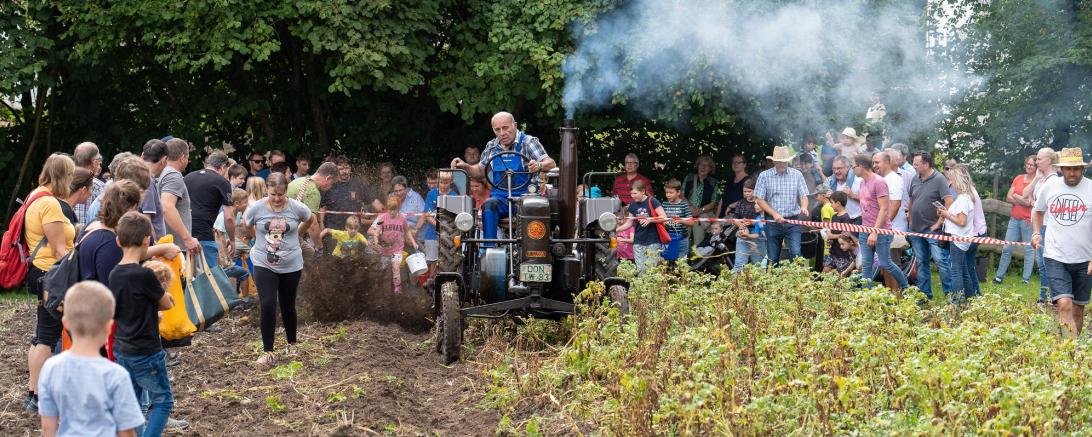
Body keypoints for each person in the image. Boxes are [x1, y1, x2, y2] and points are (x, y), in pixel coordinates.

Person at [37, 281, 145, 437]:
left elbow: (48, 428)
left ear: (65, 323)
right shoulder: (116, 375)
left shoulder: (50, 368)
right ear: (109, 327)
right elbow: (126, 431)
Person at [109, 211, 179, 436]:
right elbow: (165, 304)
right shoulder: (145, 275)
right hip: (147, 350)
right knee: (163, 402)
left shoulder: (114, 274)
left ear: (118, 240)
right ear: (147, 239)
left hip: (123, 348)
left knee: (134, 403)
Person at [450, 112, 557, 243]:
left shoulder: (528, 142)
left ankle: (534, 251)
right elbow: (479, 171)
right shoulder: (492, 146)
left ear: (515, 125)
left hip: (527, 198)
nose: (502, 133)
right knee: (488, 204)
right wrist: (464, 166)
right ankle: (489, 249)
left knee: (536, 207)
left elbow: (550, 163)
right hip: (501, 199)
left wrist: (539, 165)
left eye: (505, 128)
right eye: (497, 130)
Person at [23, 154, 76, 413]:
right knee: (46, 337)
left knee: (41, 336)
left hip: (40, 272)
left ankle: (34, 393)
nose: (71, 181)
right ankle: (40, 396)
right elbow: (59, 250)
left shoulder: (36, 195)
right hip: (51, 274)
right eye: (69, 175)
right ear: (62, 176)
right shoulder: (50, 204)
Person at [244, 173, 314, 367]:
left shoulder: (296, 208)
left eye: (280, 195)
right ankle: (268, 352)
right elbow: (247, 224)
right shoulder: (256, 208)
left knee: (288, 305)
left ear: (286, 192)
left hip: (291, 264)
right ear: (267, 190)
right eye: (273, 194)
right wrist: (258, 239)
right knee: (267, 304)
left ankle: (291, 343)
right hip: (263, 262)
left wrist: (298, 233)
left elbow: (309, 219)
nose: (276, 199)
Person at [1032, 148, 1092, 336]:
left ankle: (1072, 349)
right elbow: (1038, 211)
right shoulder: (1050, 187)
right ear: (1061, 169)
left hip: (1085, 259)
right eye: (1067, 169)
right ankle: (1070, 352)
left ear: (1083, 169)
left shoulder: (1090, 188)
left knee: (1078, 309)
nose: (1072, 173)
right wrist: (1036, 232)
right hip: (1055, 256)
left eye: (1076, 169)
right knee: (1064, 304)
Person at [855, 153, 909, 290]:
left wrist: (875, 232)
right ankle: (866, 296)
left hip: (881, 231)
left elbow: (884, 209)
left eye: (853, 167)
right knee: (866, 265)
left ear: (861, 166)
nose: (852, 170)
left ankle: (907, 287)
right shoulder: (862, 182)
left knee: (886, 263)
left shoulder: (879, 182)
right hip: (864, 229)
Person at [907, 151, 954, 300]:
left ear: (926, 164)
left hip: (933, 229)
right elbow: (912, 200)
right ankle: (925, 296)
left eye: (917, 164)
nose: (914, 166)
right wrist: (910, 220)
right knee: (921, 262)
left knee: (941, 261)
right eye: (913, 163)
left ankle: (951, 296)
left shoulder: (939, 179)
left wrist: (939, 223)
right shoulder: (915, 178)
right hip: (916, 229)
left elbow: (949, 203)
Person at [754, 146, 810, 266]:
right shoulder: (764, 176)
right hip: (772, 221)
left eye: (785, 161)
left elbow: (804, 195)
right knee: (772, 257)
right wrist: (775, 214)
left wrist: (804, 207)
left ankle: (798, 282)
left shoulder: (797, 174)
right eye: (779, 161)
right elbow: (759, 200)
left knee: (796, 253)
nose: (782, 163)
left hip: (792, 220)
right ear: (774, 161)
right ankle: (771, 282)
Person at [185, 150, 236, 269]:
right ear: (223, 167)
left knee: (188, 278)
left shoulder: (188, 177)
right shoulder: (222, 182)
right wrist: (232, 240)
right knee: (210, 278)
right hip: (204, 234)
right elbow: (228, 217)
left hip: (184, 232)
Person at [994, 155, 1038, 285]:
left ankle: (1026, 279)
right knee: (1007, 248)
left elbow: (1034, 202)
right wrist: (1021, 200)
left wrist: (1018, 198)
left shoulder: (1037, 182)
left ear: (1036, 167)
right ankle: (999, 277)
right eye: (1028, 164)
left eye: (1032, 165)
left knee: (1029, 250)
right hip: (1014, 219)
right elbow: (1008, 197)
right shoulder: (1018, 178)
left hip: (1028, 221)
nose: (1029, 166)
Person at [941, 166, 981, 302]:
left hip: (959, 238)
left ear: (957, 181)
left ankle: (957, 301)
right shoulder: (965, 197)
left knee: (956, 271)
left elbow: (962, 221)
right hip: (961, 238)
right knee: (963, 270)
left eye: (951, 180)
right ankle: (970, 298)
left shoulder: (964, 198)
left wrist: (947, 215)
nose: (950, 183)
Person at [1025, 147, 1060, 303]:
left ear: (1050, 161)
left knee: (1046, 264)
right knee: (1042, 264)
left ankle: (1047, 298)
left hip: (1046, 226)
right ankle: (1047, 297)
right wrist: (1037, 178)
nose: (1036, 161)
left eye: (1039, 159)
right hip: (1039, 227)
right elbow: (1026, 194)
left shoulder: (1053, 181)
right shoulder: (1042, 180)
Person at [370, 196, 419, 294]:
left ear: (399, 208)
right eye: (390, 210)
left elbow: (407, 231)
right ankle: (380, 290)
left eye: (394, 210)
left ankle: (398, 288)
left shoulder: (402, 218)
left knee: (396, 268)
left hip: (397, 249)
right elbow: (376, 229)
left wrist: (414, 242)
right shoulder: (382, 217)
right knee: (383, 271)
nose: (392, 212)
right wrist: (376, 239)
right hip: (384, 250)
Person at [615, 180, 667, 273]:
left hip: (653, 240)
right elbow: (629, 223)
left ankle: (651, 287)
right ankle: (641, 287)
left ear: (643, 191)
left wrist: (650, 219)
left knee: (651, 270)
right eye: (631, 194)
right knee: (640, 269)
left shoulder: (652, 201)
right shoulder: (633, 204)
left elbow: (664, 217)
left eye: (635, 193)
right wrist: (616, 230)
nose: (632, 196)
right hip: (638, 241)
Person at [287, 161, 337, 255]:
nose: (331, 187)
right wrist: (319, 246)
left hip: (278, 229)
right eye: (332, 183)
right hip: (286, 235)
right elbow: (312, 224)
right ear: (328, 178)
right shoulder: (313, 191)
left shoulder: (300, 180)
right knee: (311, 256)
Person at [321, 156, 380, 234]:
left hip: (354, 231)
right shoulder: (330, 184)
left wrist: (387, 213)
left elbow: (375, 203)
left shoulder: (359, 184)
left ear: (350, 169)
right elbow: (322, 207)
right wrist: (321, 224)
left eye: (347, 168)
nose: (344, 171)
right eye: (341, 169)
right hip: (334, 231)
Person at [159, 138, 196, 252]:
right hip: (176, 247)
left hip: (170, 245)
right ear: (182, 158)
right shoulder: (173, 175)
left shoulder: (162, 173)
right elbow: (167, 207)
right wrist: (187, 238)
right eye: (187, 158)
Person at [213, 189, 252, 296]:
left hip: (226, 254)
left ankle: (237, 299)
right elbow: (218, 236)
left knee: (238, 274)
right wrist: (225, 260)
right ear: (236, 204)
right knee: (243, 273)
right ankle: (243, 300)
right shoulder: (225, 216)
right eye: (245, 202)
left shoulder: (234, 214)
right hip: (222, 258)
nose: (247, 204)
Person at [423, 170, 457, 279]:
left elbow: (455, 217)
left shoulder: (454, 195)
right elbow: (427, 214)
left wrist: (447, 230)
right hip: (432, 233)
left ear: (451, 182)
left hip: (449, 235)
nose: (443, 185)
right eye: (441, 182)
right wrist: (440, 227)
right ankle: (433, 285)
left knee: (446, 260)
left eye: (446, 183)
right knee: (433, 261)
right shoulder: (431, 194)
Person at [683, 156, 720, 244]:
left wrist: (699, 210)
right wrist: (690, 208)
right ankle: (683, 257)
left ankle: (697, 257)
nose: (703, 167)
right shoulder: (689, 177)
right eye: (701, 164)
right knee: (683, 242)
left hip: (701, 217)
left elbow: (714, 202)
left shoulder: (713, 182)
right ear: (697, 165)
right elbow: (681, 195)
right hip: (686, 214)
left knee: (698, 244)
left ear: (710, 169)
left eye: (707, 165)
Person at [732, 178, 766, 272]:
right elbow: (735, 218)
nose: (747, 193)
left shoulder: (761, 203)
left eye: (749, 191)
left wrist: (753, 222)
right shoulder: (740, 203)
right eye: (744, 191)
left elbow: (764, 220)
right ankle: (734, 285)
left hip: (757, 235)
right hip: (743, 233)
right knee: (739, 264)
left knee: (758, 265)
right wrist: (740, 225)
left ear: (756, 190)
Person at [661, 179, 696, 262]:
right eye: (667, 192)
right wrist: (663, 221)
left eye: (671, 192)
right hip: (667, 238)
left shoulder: (684, 205)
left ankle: (682, 274)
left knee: (681, 262)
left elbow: (691, 222)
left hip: (682, 239)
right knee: (666, 261)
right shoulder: (664, 204)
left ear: (678, 193)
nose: (668, 195)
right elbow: (660, 219)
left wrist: (681, 221)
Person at [141, 139, 170, 239]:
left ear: (142, 155)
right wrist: (155, 248)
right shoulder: (147, 181)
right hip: (150, 247)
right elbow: (147, 220)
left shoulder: (135, 176)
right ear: (164, 160)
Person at [72, 142, 105, 225]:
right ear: (94, 162)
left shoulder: (63, 182)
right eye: (98, 160)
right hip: (91, 235)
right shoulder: (100, 187)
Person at [827, 156, 862, 224]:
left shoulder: (858, 180)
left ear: (848, 167)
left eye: (839, 168)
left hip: (856, 220)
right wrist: (829, 198)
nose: (836, 171)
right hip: (839, 220)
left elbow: (869, 201)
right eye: (834, 168)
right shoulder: (831, 182)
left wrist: (853, 195)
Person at [63, 168, 94, 234]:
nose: (91, 193)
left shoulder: (64, 208)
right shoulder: (65, 212)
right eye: (91, 188)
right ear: (83, 190)